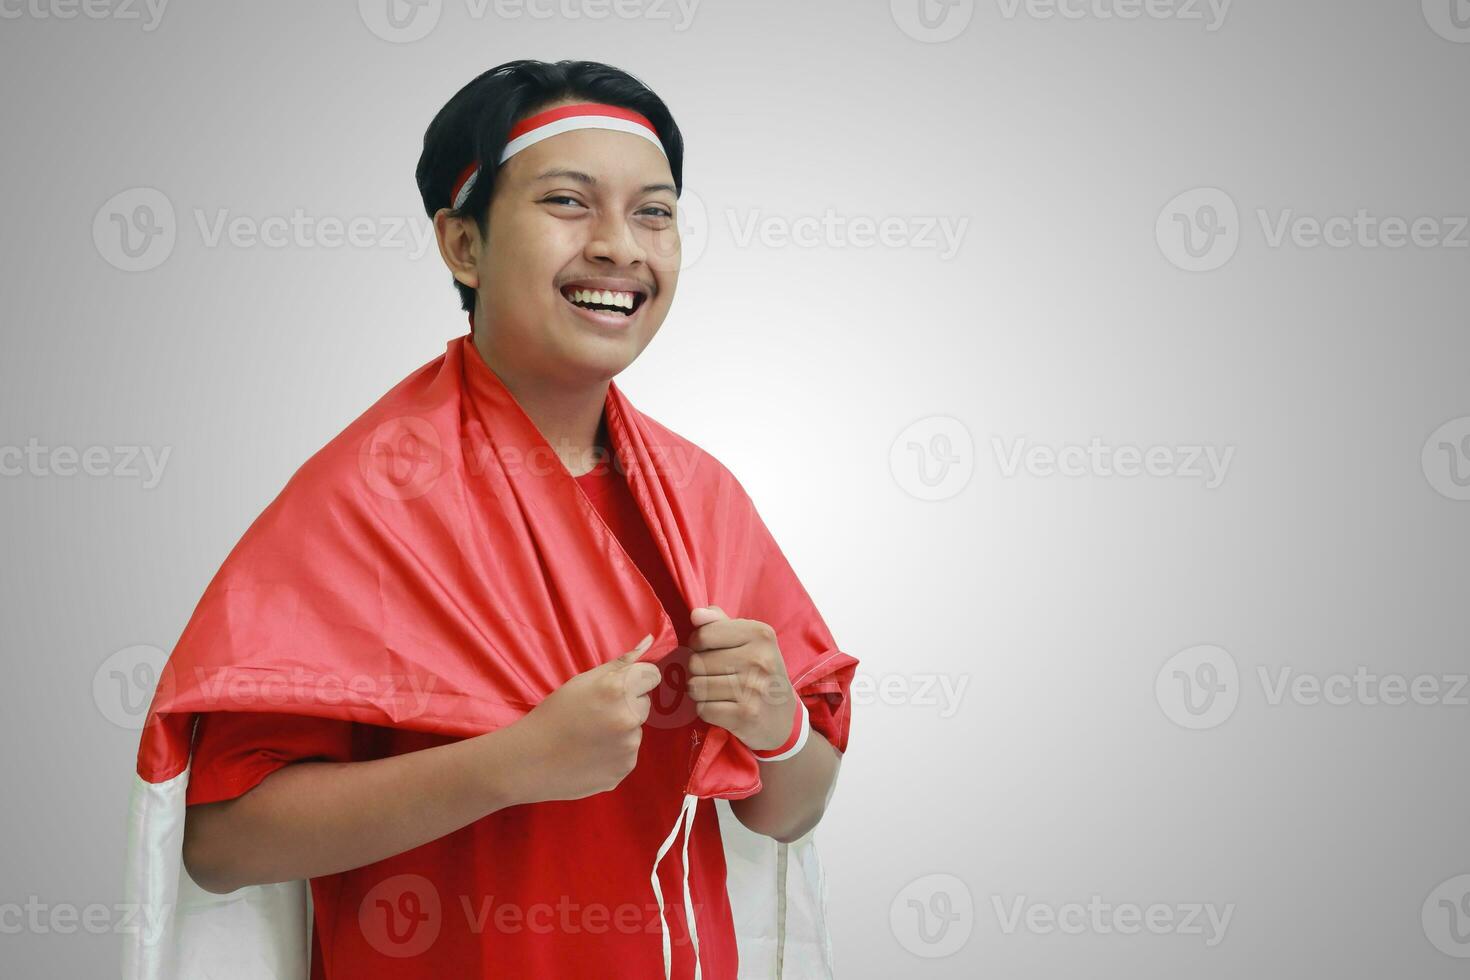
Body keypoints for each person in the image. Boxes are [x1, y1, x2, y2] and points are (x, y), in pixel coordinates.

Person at [123, 59, 857, 980]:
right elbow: (224, 839)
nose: (619, 246)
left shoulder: (699, 497)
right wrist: (509, 765)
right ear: (462, 246)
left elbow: (789, 808)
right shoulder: (370, 496)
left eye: (655, 211)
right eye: (567, 202)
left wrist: (778, 725)